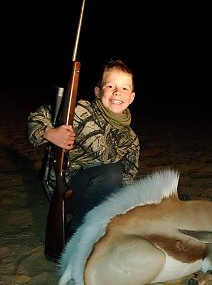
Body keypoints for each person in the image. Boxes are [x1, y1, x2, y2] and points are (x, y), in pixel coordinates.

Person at [27, 59, 140, 243]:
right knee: (111, 172)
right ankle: (78, 234)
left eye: (124, 88)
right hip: (64, 192)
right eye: (110, 86)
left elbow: (128, 178)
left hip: (100, 193)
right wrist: (50, 133)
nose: (117, 92)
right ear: (97, 91)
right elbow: (38, 116)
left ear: (131, 97)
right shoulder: (78, 110)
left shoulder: (131, 139)